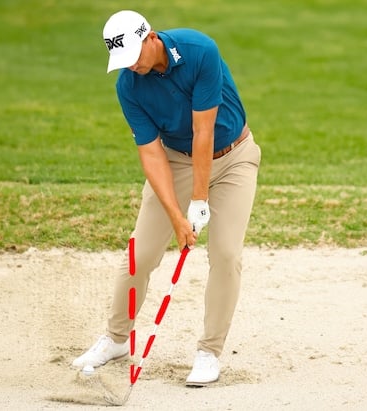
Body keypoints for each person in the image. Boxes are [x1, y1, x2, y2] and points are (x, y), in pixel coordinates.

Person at [72, 10, 261, 386]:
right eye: (123, 61)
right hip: (176, 160)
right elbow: (151, 153)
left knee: (226, 254)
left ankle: (209, 352)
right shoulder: (128, 86)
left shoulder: (199, 50)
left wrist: (199, 200)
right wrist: (177, 215)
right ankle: (116, 339)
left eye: (134, 56)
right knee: (138, 255)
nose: (131, 66)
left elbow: (203, 130)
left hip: (234, 157)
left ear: (151, 37)